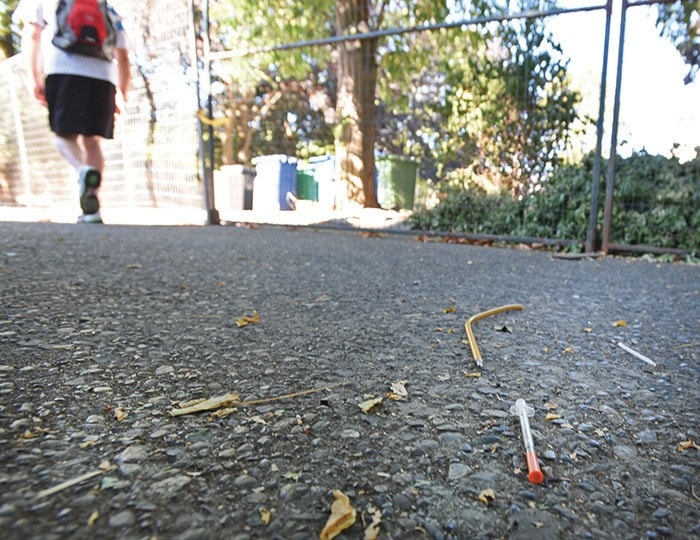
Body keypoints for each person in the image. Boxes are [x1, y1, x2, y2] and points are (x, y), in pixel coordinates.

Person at [13, 0, 131, 223]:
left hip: (63, 69)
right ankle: (92, 209)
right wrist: (121, 92)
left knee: (63, 135)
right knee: (92, 140)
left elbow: (32, 34)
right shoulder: (107, 8)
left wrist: (34, 77)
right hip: (103, 76)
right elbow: (123, 57)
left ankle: (82, 170)